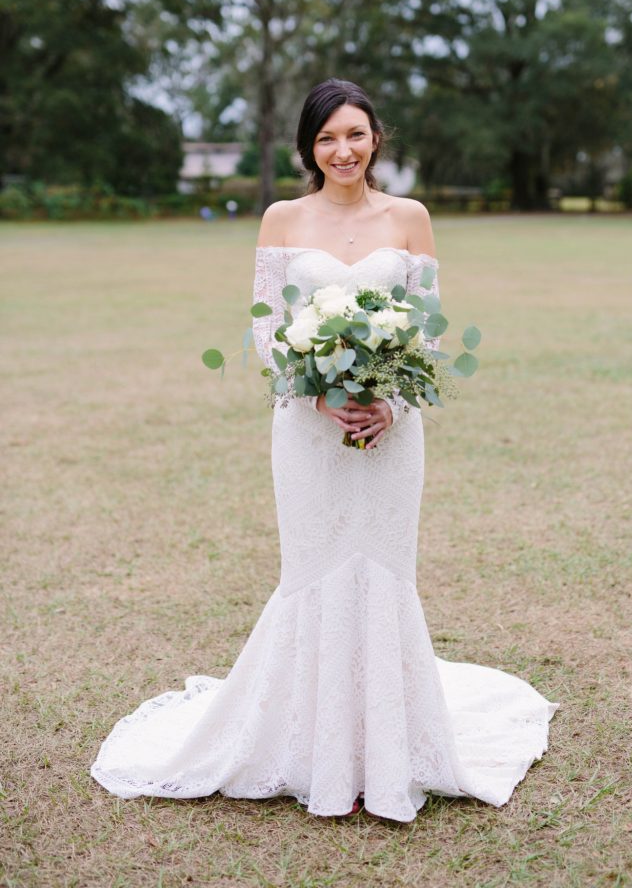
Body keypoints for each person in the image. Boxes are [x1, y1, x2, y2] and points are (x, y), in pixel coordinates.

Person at [90, 79, 557, 821]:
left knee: (383, 568)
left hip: (391, 430)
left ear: (376, 138)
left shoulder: (409, 217)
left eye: (355, 134)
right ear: (309, 147)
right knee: (312, 569)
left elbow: (429, 329)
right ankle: (310, 747)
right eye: (326, 138)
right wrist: (317, 394)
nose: (342, 150)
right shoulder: (283, 217)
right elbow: (268, 329)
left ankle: (388, 750)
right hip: (307, 431)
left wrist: (392, 402)